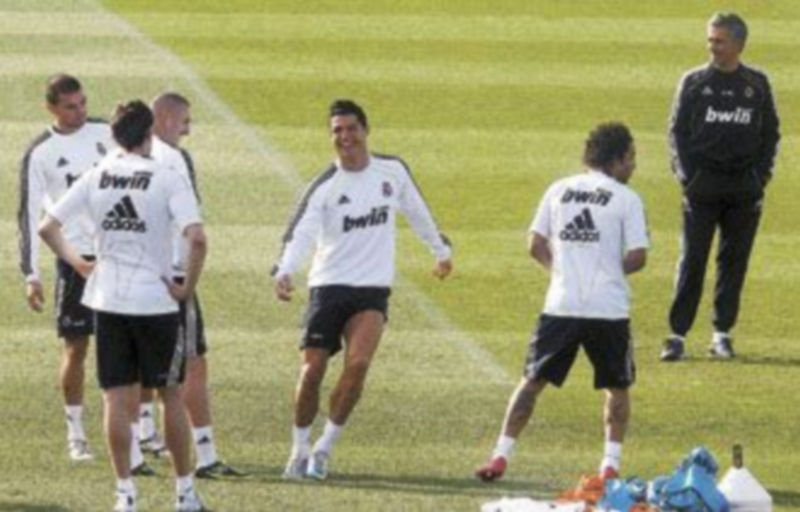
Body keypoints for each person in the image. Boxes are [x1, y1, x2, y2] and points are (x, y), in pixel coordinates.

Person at [38, 100, 208, 512]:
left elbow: (48, 226)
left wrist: (80, 263)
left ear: (113, 136)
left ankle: (125, 494)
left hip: (108, 299)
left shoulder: (97, 174)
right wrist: (186, 287)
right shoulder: (167, 175)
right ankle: (184, 493)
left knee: (116, 398)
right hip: (156, 302)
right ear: (149, 133)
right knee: (170, 394)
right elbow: (198, 238)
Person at [272, 99, 453, 480]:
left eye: (351, 128)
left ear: (366, 130)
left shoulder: (393, 172)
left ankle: (324, 449)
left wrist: (440, 250)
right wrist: (286, 270)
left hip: (372, 289)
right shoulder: (324, 186)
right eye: (337, 130)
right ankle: (299, 447)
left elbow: (418, 210)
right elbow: (300, 231)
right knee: (312, 371)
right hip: (328, 286)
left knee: (358, 365)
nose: (345, 137)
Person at [475, 122, 648, 482]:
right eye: (630, 158)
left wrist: (560, 271)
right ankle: (610, 465)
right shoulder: (626, 199)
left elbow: (534, 244)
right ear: (616, 160)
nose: (633, 166)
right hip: (608, 309)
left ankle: (499, 457)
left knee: (531, 381)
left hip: (561, 304)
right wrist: (607, 271)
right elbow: (638, 256)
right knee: (617, 387)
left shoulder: (559, 189)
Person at [135, 91, 245, 478]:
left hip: (134, 276)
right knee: (192, 367)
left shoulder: (125, 161)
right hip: (174, 277)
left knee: (136, 366)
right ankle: (205, 455)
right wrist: (187, 281)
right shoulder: (174, 160)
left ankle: (141, 442)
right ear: (164, 119)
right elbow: (192, 230)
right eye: (185, 120)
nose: (189, 128)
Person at [660, 12, 780, 362]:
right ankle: (677, 335)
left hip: (744, 187)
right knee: (692, 259)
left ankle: (721, 334)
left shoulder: (757, 84)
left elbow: (770, 133)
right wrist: (687, 178)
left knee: (734, 261)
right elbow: (676, 132)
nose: (711, 46)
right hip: (702, 186)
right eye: (710, 39)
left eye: (719, 40)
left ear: (738, 45)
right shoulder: (694, 82)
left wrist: (760, 178)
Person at [17, 73, 113, 461]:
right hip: (76, 260)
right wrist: (31, 274)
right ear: (51, 108)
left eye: (83, 103)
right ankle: (75, 433)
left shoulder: (106, 132)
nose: (80, 112)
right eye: (71, 106)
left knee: (130, 341)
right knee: (76, 346)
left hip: (118, 254)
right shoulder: (39, 153)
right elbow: (28, 215)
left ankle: (142, 428)